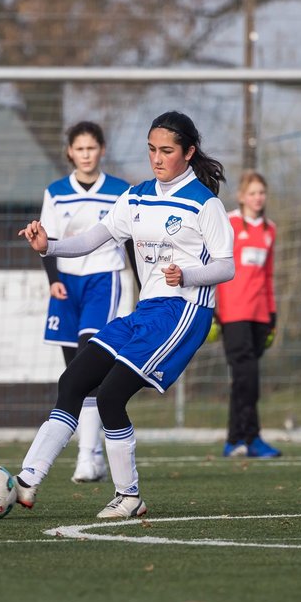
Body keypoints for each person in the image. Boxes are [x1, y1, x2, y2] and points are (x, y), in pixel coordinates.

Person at [15, 110, 234, 519]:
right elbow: (92, 240)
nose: (157, 158)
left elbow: (226, 266)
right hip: (146, 311)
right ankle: (26, 481)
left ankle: (128, 495)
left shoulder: (205, 204)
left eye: (166, 150)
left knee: (113, 394)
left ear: (188, 153)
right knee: (74, 379)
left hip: (184, 312)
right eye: (151, 149)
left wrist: (187, 274)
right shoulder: (136, 195)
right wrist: (49, 247)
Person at [38, 121, 132, 483]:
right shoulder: (57, 192)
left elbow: (129, 244)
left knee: (87, 365)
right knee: (71, 374)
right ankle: (91, 452)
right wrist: (53, 281)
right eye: (80, 149)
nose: (86, 155)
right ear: (70, 153)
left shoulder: (121, 192)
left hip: (102, 281)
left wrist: (141, 286)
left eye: (92, 148)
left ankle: (87, 456)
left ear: (102, 150)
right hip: (67, 286)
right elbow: (47, 240)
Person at [215, 170, 279, 458]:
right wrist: (215, 307)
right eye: (252, 193)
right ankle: (252, 438)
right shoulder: (228, 223)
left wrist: (272, 313)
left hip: (260, 316)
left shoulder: (269, 230)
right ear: (241, 196)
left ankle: (233, 439)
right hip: (233, 314)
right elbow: (216, 267)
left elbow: (267, 276)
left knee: (243, 379)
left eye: (261, 193)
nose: (257, 198)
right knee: (248, 378)